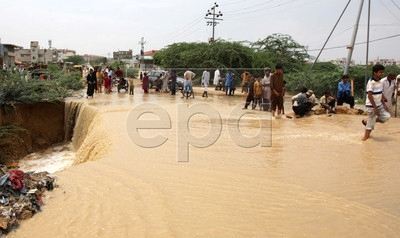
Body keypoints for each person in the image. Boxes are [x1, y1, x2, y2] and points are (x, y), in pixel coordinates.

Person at [362, 64, 391, 141]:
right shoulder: (371, 82)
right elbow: (370, 96)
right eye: (380, 72)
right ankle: (365, 139)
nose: (382, 74)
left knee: (386, 117)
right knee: (371, 122)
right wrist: (375, 108)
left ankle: (367, 121)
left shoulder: (380, 82)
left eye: (382, 72)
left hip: (379, 104)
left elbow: (380, 93)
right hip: (371, 106)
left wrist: (384, 104)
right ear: (375, 73)